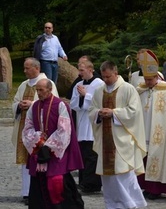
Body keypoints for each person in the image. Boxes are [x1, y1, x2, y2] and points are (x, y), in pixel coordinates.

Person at [88, 61, 147, 208]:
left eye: (108, 76)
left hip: (122, 139)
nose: (106, 80)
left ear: (115, 73)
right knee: (108, 177)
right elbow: (92, 110)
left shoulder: (128, 89)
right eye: (103, 77)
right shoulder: (99, 90)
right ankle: (113, 204)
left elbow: (134, 111)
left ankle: (131, 203)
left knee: (124, 173)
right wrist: (99, 114)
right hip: (105, 138)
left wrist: (113, 113)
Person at [22, 79, 84, 208]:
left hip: (55, 153)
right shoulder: (34, 106)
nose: (38, 93)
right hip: (38, 152)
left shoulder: (60, 105)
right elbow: (27, 128)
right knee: (38, 187)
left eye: (41, 90)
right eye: (37, 90)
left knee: (57, 186)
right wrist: (38, 139)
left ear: (50, 89)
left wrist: (48, 146)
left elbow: (65, 129)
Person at [136, 50, 166, 200]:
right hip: (144, 130)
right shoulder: (141, 90)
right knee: (143, 158)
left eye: (150, 79)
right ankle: (145, 186)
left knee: (157, 158)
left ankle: (155, 189)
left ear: (157, 76)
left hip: (160, 133)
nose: (148, 82)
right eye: (146, 79)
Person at [11, 57, 58, 205]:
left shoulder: (48, 83)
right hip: (23, 129)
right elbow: (14, 102)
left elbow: (53, 104)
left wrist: (31, 104)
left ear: (36, 68)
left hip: (39, 130)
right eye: (24, 68)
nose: (24, 71)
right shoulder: (23, 85)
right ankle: (26, 192)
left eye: (27, 68)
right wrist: (19, 105)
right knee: (25, 160)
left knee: (37, 159)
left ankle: (38, 192)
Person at [70, 60, 104, 193]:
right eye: (79, 70)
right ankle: (83, 181)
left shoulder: (99, 84)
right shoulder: (78, 84)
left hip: (93, 124)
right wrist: (80, 97)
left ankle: (92, 184)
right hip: (81, 123)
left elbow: (100, 102)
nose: (80, 73)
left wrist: (86, 95)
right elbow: (73, 103)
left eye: (82, 70)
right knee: (83, 154)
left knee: (92, 155)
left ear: (90, 69)